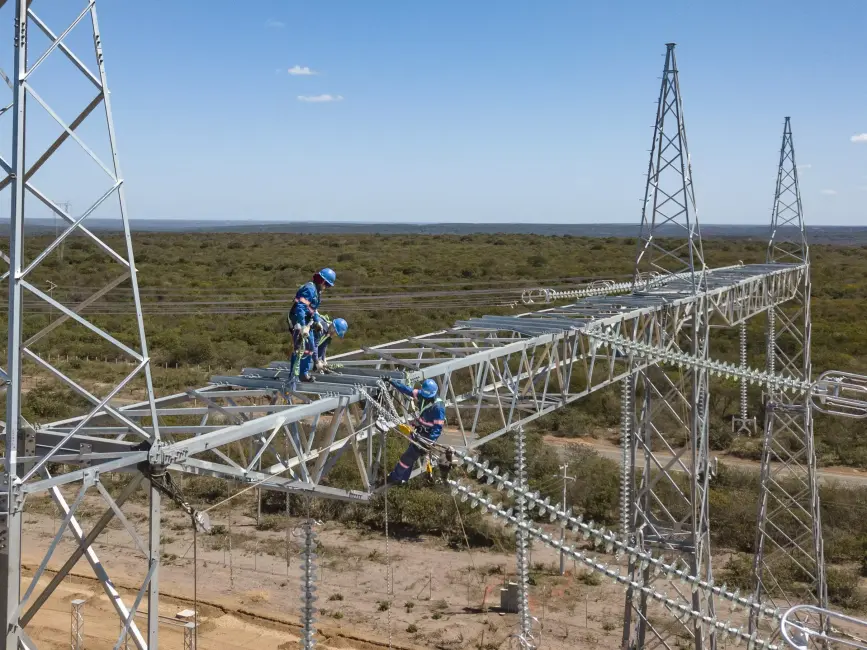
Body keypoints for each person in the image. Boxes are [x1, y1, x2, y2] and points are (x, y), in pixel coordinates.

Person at [385, 378, 447, 485]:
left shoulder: (438, 407)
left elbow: (437, 428)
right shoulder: (422, 395)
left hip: (427, 437)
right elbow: (407, 390)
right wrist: (392, 382)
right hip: (420, 432)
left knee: (407, 458)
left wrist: (429, 442)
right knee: (410, 456)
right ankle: (403, 478)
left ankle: (395, 477)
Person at [288, 268, 336, 381]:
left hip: (307, 320)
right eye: (327, 285)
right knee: (299, 347)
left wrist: (317, 321)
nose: (326, 288)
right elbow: (300, 308)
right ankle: (293, 376)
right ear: (323, 282)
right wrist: (303, 326)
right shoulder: (310, 289)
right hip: (297, 320)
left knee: (310, 346)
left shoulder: (316, 292)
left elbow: (312, 309)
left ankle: (303, 374)